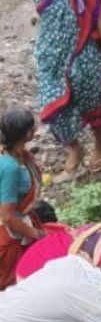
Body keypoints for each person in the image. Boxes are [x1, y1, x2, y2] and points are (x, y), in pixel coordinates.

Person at [28, 0, 101, 176]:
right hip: (52, 60)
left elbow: (98, 16)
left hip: (82, 53)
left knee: (93, 98)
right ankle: (74, 147)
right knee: (51, 106)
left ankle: (99, 145)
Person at [0, 108, 46, 290]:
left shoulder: (20, 156)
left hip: (23, 219)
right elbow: (8, 216)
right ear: (27, 134)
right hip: (10, 233)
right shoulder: (10, 167)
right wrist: (35, 234)